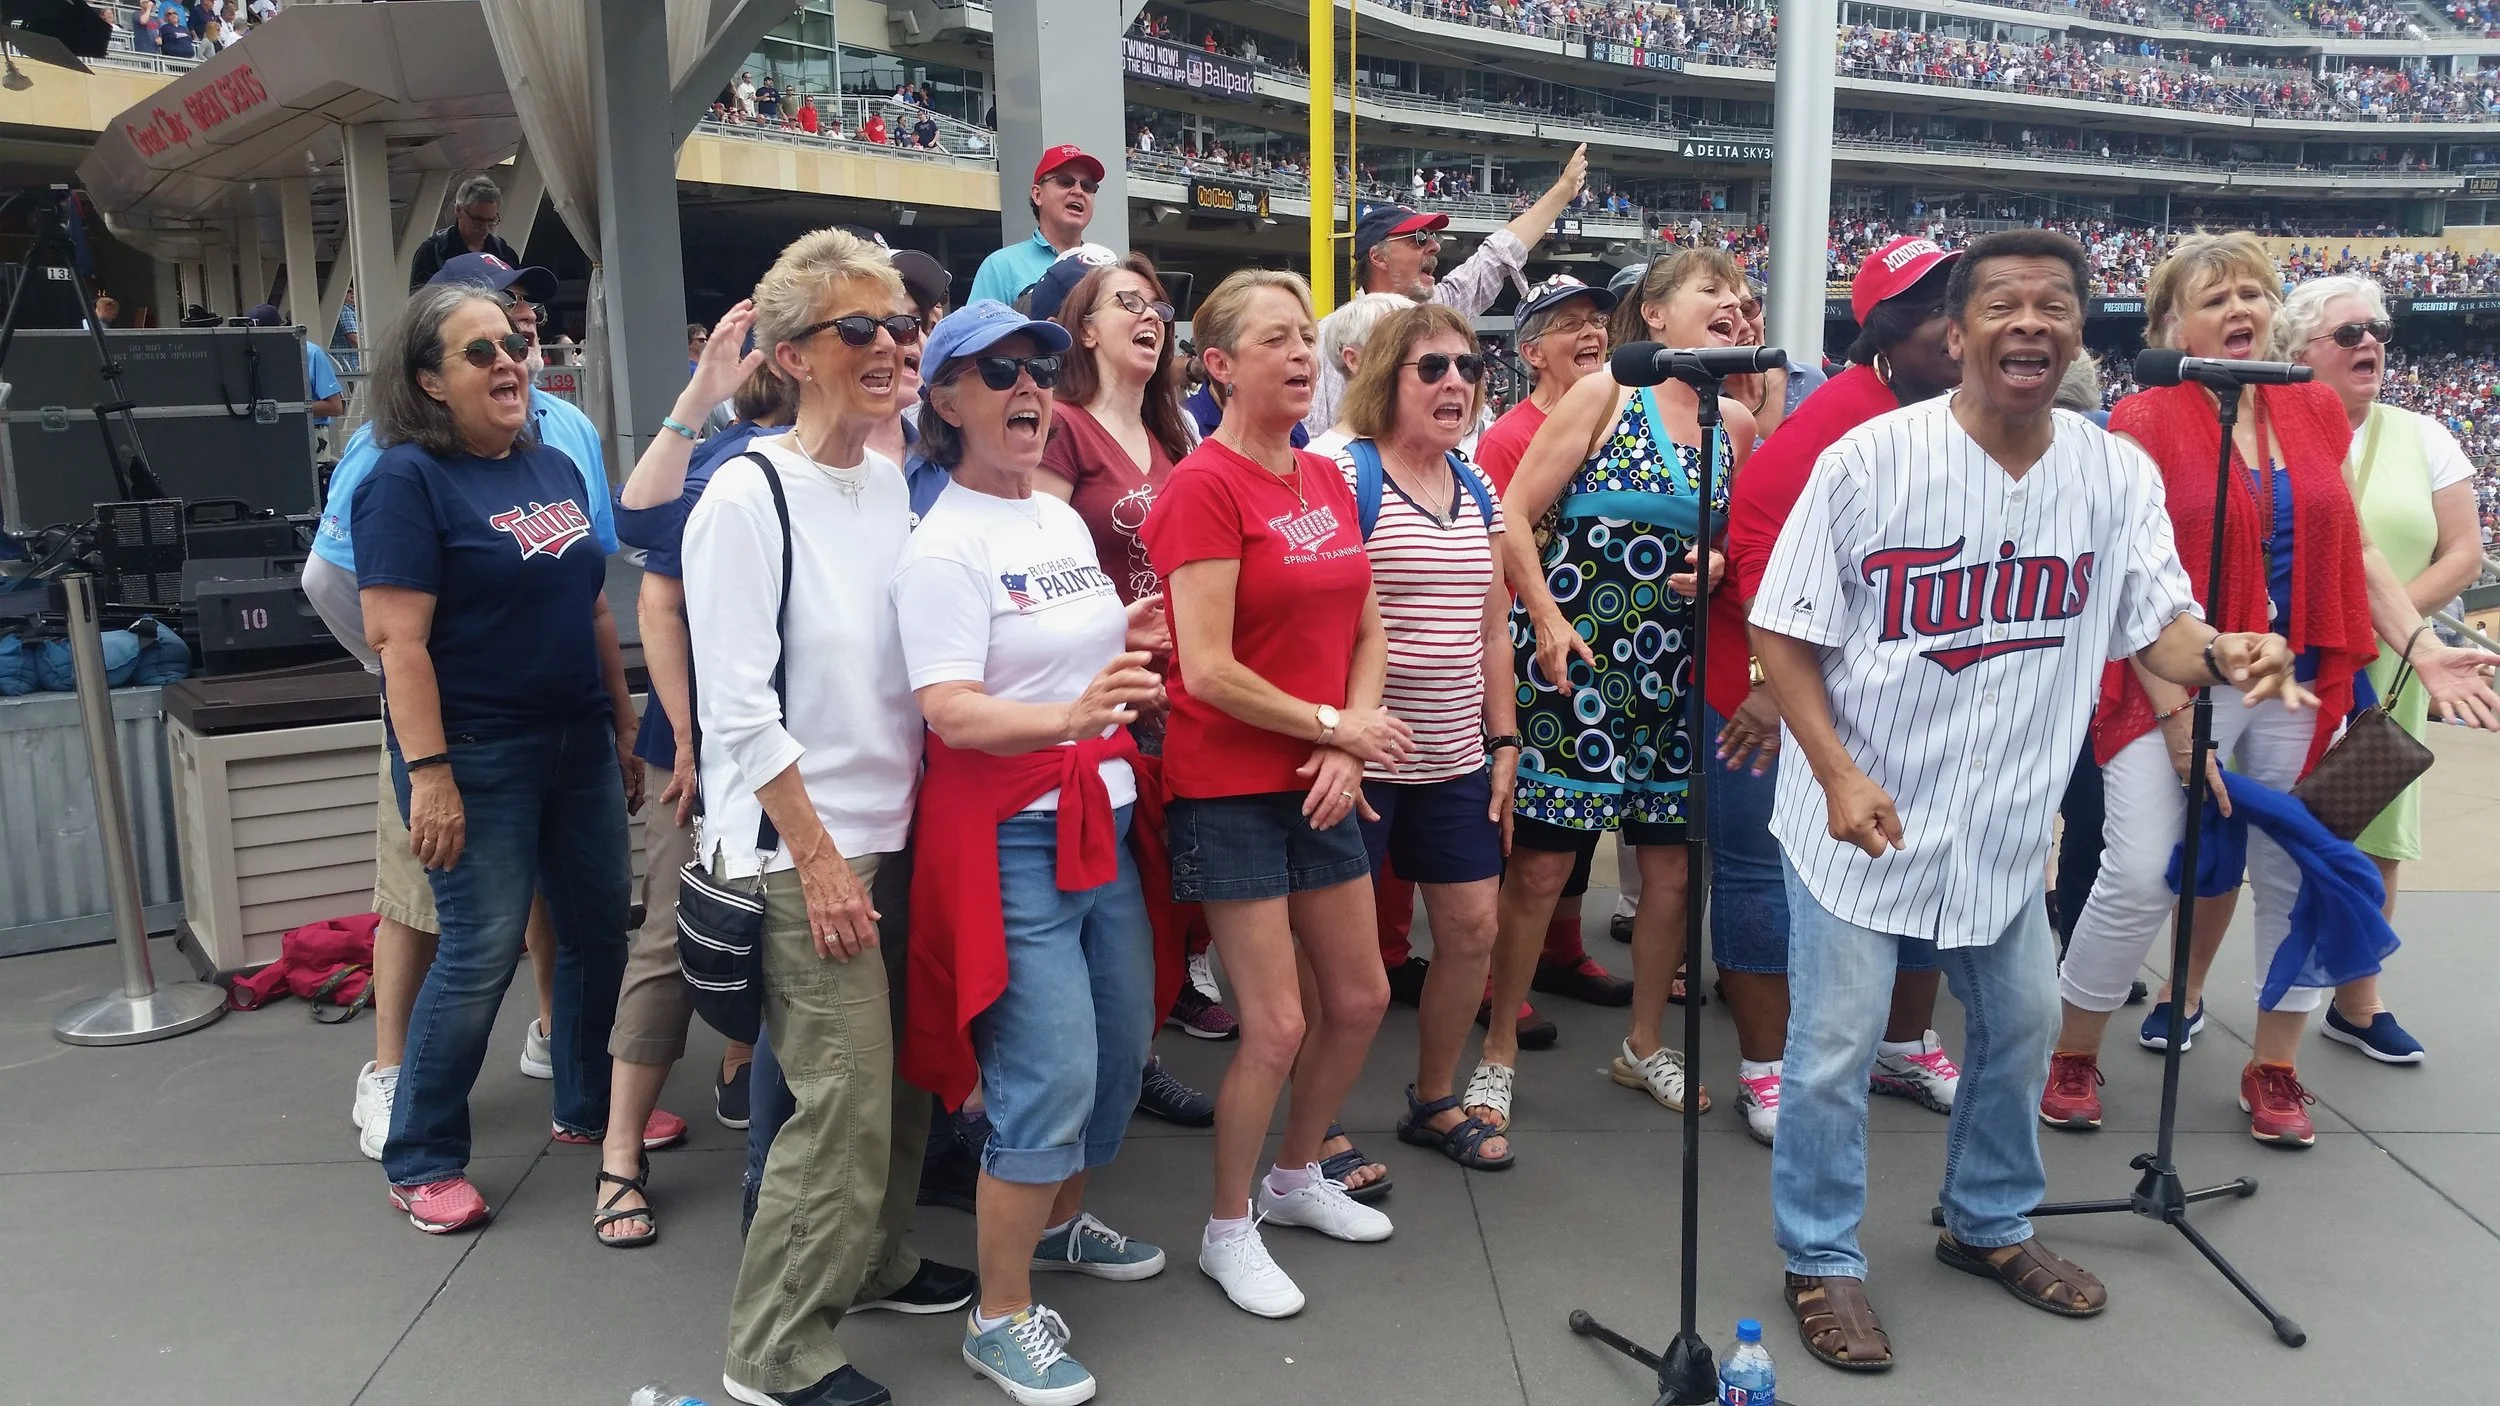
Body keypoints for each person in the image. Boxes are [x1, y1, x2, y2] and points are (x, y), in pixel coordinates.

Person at [1751, 228, 2304, 1372]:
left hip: (2000, 821)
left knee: (2020, 1027)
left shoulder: (2114, 473)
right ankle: (1820, 1255)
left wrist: (2226, 651)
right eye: (2001, 302)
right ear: (1956, 334)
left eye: (2053, 304)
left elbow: (2160, 625)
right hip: (1860, 814)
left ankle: (1988, 1218)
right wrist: (1836, 770)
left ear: (2075, 335)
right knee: (1832, 1049)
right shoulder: (1868, 461)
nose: (2029, 321)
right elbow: (1780, 626)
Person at [2046, 233, 2500, 1148]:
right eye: (2214, 299)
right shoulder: (2142, 422)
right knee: (2136, 873)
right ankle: (2073, 1049)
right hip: (2171, 681)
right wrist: (2177, 713)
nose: (2239, 310)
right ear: (2172, 323)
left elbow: (2356, 551)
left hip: (2302, 680)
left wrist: (2414, 641)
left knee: (2295, 873)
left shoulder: (2314, 412)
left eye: (2253, 293)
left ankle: (2277, 1066)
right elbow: (2126, 579)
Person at [685, 228, 974, 1406]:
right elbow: (738, 712)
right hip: (809, 847)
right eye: (859, 328)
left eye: (899, 325)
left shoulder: (885, 486)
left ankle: (873, 1257)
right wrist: (816, 862)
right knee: (840, 1100)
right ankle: (774, 1348)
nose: (891, 346)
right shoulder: (748, 495)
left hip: (897, 829)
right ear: (792, 354)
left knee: (902, 1080)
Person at [895, 301, 1172, 1405]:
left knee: (1119, 1039)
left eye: (1040, 370)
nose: (1027, 388)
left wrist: (1130, 633)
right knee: (1047, 1064)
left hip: (1095, 813)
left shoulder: (1055, 524)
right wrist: (1073, 714)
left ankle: (1058, 1224)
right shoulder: (943, 543)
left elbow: (1072, 654)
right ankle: (997, 1313)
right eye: (998, 370)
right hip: (1015, 829)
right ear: (946, 398)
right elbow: (952, 711)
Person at [312, 253, 641, 1167]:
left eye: (515, 346)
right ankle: (421, 1152)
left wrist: (621, 725)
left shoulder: (550, 464)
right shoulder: (403, 480)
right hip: (477, 751)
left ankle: (584, 1102)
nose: (510, 362)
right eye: (480, 352)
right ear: (429, 380)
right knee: (481, 949)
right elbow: (397, 642)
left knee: (594, 928)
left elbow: (595, 607)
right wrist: (430, 778)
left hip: (576, 741)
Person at [1140, 269, 1409, 1320]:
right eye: (1275, 341)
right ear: (1217, 365)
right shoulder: (1202, 486)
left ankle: (1296, 1181)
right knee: (1276, 1024)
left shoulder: (1325, 477)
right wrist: (1334, 727)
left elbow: (1367, 628)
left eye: (1307, 337)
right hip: (1231, 787)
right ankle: (1226, 1226)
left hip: (1319, 775)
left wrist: (1344, 743)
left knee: (1361, 997)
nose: (1303, 356)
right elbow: (1202, 670)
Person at [1478, 249, 1756, 1140]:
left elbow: (1739, 546)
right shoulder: (1606, 395)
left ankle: (1643, 1044)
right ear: (1660, 313)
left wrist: (1716, 564)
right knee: (1546, 866)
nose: (1737, 308)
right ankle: (1496, 1050)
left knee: (1671, 870)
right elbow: (1512, 510)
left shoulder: (1738, 422)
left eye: (1743, 299)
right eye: (1715, 292)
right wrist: (1548, 619)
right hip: (1579, 669)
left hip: (1672, 678)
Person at [1713, 236, 1969, 1145]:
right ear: (1886, 332)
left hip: (1890, 694)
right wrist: (1765, 685)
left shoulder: (1960, 416)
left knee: (1913, 866)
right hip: (1766, 692)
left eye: (1960, 301)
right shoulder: (1839, 419)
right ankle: (1766, 1067)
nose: (1956, 325)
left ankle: (1902, 1044)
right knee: (1757, 875)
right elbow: (1755, 551)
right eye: (1935, 309)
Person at [601, 307, 787, 1248]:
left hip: (824, 757)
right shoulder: (734, 462)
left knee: (792, 941)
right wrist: (687, 730)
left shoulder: (892, 457)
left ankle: (740, 1069)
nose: (888, 349)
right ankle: (620, 1152)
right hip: (712, 758)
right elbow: (651, 579)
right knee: (676, 938)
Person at [1034, 251, 1243, 1059]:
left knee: (1160, 877)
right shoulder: (1062, 426)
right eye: (1128, 302)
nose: (1151, 315)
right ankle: (1122, 1050)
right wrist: (1116, 627)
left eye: (1157, 304)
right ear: (1084, 329)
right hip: (1103, 693)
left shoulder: (1173, 429)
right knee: (1112, 887)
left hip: (1179, 689)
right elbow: (1042, 566)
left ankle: (1147, 1026)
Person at [2275, 274, 2487, 1063]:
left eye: (2379, 330)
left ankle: (2358, 999)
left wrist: (2376, 627)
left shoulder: (2424, 434)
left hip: (2393, 667)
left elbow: (2463, 553)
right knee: (2231, 820)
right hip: (2284, 661)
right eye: (2351, 331)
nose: (2371, 343)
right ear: (2299, 351)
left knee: (2377, 830)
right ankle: (2182, 994)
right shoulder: (2268, 426)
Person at [1326, 302, 1517, 1174]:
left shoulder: (1475, 484)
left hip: (1454, 759)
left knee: (1473, 928)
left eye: (1469, 369)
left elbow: (1492, 632)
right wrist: (1335, 735)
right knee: (1341, 959)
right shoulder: (1340, 471)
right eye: (1432, 367)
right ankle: (1316, 1122)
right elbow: (1309, 624)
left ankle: (1433, 1099)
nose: (1455, 384)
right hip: (1358, 762)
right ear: (1384, 379)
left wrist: (1505, 743)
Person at [1471, 274, 1634, 1014]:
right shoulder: (1510, 435)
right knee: (1528, 820)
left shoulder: (1615, 412)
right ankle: (1493, 971)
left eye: (1596, 319)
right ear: (1531, 352)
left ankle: (1562, 950)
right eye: (1568, 324)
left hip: (1592, 641)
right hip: (1526, 640)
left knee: (1578, 817)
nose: (1590, 333)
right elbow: (1499, 545)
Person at [1305, 144, 1588, 431]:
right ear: (1378, 257)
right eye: (1418, 238)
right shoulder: (1330, 337)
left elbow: (1499, 253)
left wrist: (1563, 190)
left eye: (1432, 236)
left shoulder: (1441, 308)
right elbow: (1312, 439)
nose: (1435, 245)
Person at [970, 145, 1106, 308]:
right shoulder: (1000, 266)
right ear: (1037, 194)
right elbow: (979, 332)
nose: (1078, 191)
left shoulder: (1106, 268)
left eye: (1088, 186)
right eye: (1065, 181)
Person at [407, 176, 522, 291]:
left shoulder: (505, 253)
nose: (485, 228)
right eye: (478, 221)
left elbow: (517, 296)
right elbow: (419, 302)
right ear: (458, 210)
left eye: (491, 221)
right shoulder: (432, 251)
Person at [246, 302, 345, 423]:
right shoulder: (245, 356)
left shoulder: (310, 353)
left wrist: (283, 410)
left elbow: (335, 406)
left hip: (309, 433)